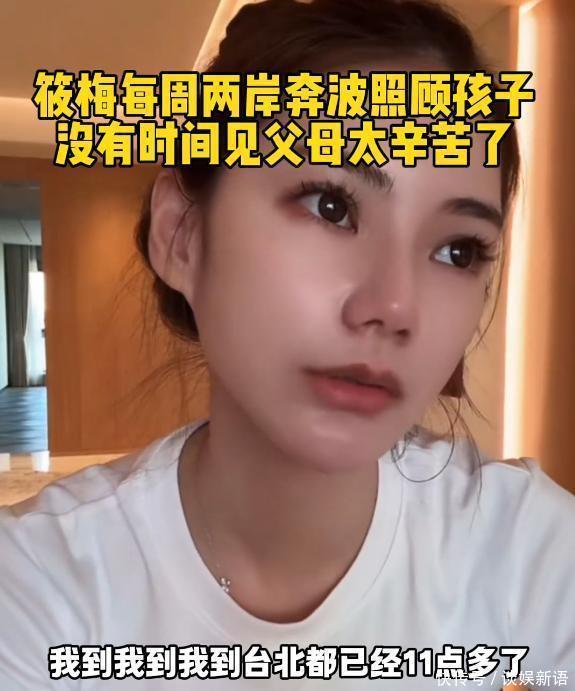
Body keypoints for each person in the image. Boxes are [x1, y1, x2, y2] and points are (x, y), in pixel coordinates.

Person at [1, 0, 574, 688]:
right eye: (331, 206)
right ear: (181, 234)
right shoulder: (35, 584)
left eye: (457, 250)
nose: (395, 306)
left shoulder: (521, 541)